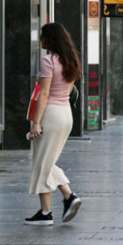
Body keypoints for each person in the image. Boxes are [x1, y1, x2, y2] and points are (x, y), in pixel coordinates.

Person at [25, 22, 83, 226]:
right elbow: (67, 91)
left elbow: (45, 93)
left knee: (43, 161)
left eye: (43, 36)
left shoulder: (48, 61)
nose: (40, 39)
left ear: (50, 39)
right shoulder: (71, 60)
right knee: (45, 161)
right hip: (66, 114)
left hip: (50, 114)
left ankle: (65, 198)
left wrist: (36, 123)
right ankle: (47, 210)